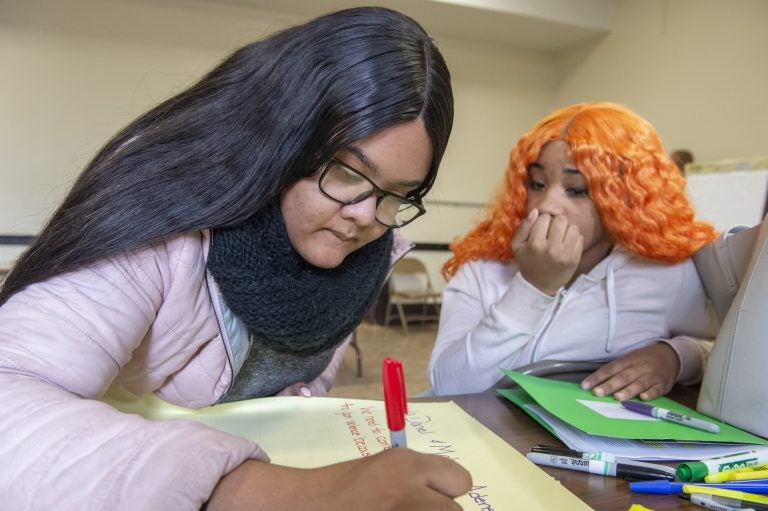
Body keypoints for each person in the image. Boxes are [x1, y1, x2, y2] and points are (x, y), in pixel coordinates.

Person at [0, 7, 471, 510]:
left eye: (397, 195)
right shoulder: (162, 204)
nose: (365, 217)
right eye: (347, 172)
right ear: (282, 136)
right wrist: (269, 493)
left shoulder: (364, 243)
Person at [428, 102, 719, 399]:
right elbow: (449, 386)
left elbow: (724, 347)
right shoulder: (482, 269)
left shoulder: (665, 275)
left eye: (577, 190)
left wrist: (676, 358)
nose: (547, 205)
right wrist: (532, 288)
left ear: (623, 200)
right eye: (537, 184)